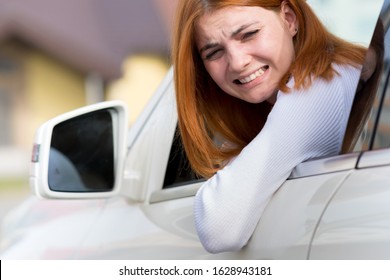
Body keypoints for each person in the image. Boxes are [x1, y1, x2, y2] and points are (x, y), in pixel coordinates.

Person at [171, 0, 367, 253]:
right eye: (214, 53)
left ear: (289, 19)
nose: (237, 62)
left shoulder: (322, 84)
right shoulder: (317, 80)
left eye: (249, 34)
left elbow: (219, 227)